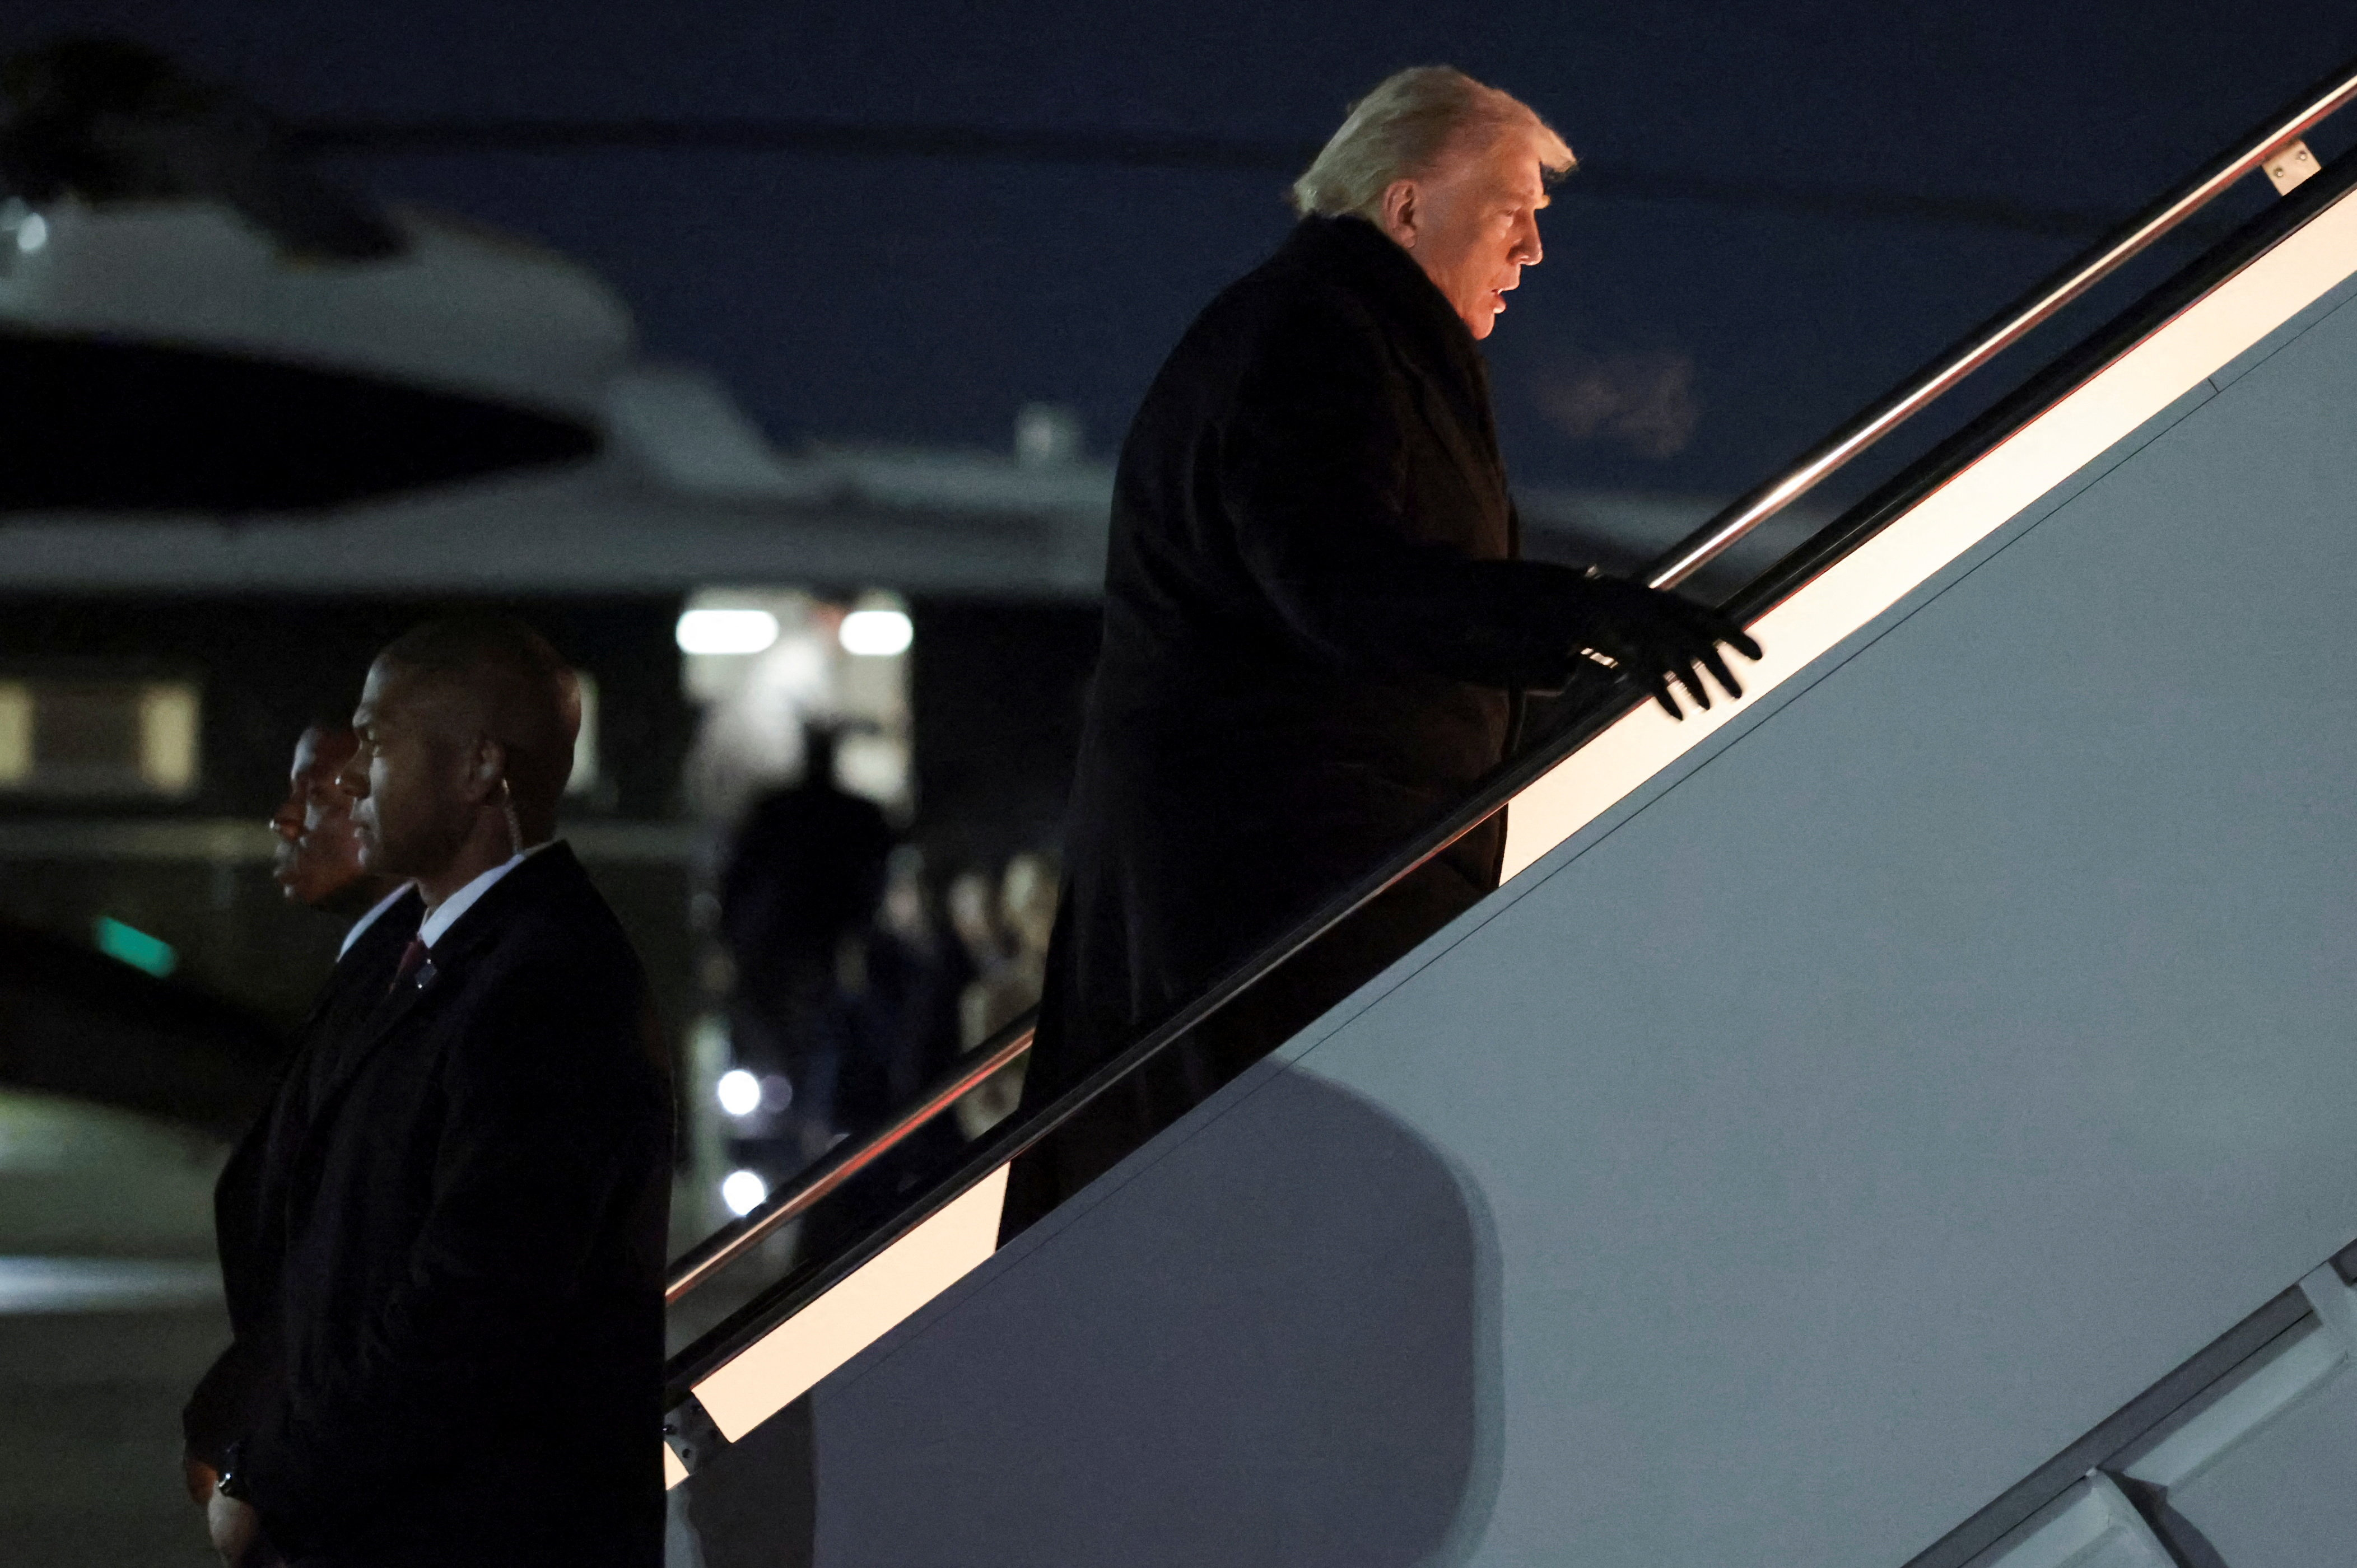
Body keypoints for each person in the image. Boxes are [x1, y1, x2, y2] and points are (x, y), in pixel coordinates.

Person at [1002, 66, 1761, 1238]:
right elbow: (1343, 583)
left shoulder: (1332, 331)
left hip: (1277, 890)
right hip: (1287, 902)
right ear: (1407, 207)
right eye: (1512, 211)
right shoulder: (1315, 339)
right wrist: (1586, 613)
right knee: (1287, 1247)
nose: (1531, 252)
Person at [202, 616, 673, 1568]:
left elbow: (469, 1310)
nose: (354, 779)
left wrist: (276, 1479)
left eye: (376, 745)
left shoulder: (547, 984)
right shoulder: (449, 955)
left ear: (478, 770)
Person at [183, 722, 420, 1515]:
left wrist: (259, 1412)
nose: (284, 820)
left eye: (316, 797)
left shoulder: (398, 992)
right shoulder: (374, 973)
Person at [719, 720, 895, 1169]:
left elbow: (736, 881)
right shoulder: (839, 815)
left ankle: (816, 1135)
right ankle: (801, 1133)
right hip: (787, 952)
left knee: (824, 1040)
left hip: (802, 952)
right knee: (799, 1041)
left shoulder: (788, 811)